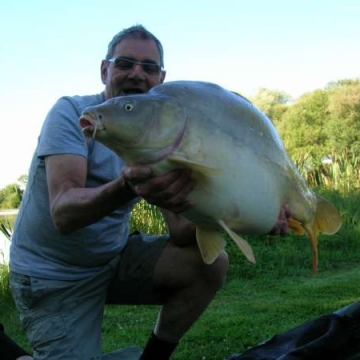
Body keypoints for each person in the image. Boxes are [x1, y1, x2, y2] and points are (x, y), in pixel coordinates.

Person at [8, 25, 229, 360]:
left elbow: (183, 233)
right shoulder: (74, 115)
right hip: (52, 274)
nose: (137, 74)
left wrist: (246, 217)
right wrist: (126, 186)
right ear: (104, 70)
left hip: (111, 259)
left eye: (149, 68)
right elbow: (63, 213)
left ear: (161, 79)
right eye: (125, 63)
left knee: (209, 263)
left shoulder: (159, 135)